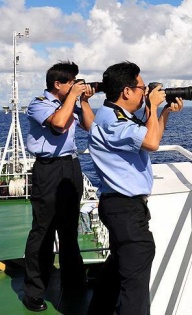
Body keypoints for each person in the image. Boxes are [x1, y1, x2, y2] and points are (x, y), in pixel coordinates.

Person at [87, 61, 183, 315]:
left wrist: (162, 113)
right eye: (142, 88)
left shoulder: (115, 115)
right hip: (124, 209)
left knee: (120, 265)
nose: (145, 93)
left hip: (122, 207)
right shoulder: (113, 121)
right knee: (135, 284)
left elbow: (150, 137)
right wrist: (152, 105)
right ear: (127, 91)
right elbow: (151, 143)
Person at [23, 61, 95, 312]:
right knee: (43, 230)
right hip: (49, 168)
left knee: (68, 229)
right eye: (72, 81)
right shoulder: (38, 104)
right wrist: (73, 98)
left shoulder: (71, 102)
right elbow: (58, 124)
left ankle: (74, 281)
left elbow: (89, 126)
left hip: (71, 167)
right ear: (58, 84)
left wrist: (83, 101)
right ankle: (34, 290)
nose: (76, 84)